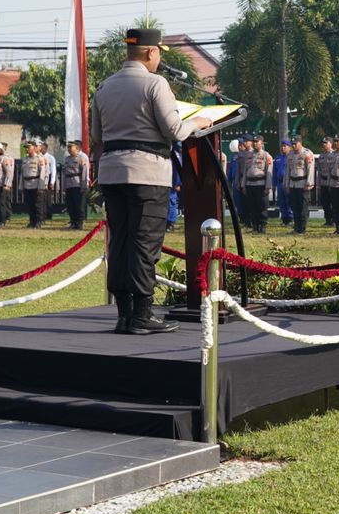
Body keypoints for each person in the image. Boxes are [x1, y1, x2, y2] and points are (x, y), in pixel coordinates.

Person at [89, 27, 212, 334]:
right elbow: (174, 130)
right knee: (145, 244)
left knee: (120, 241)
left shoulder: (104, 87)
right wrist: (198, 120)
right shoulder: (155, 84)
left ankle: (124, 314)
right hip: (147, 174)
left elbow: (96, 136)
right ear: (150, 52)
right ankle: (143, 315)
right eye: (158, 53)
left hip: (113, 173)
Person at [242, 136, 273, 233]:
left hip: (260, 184)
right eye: (254, 142)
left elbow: (269, 171)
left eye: (257, 142)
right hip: (250, 184)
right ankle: (255, 226)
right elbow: (245, 171)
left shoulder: (266, 155)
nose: (255, 144)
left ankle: (262, 226)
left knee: (262, 206)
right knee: (252, 206)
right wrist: (243, 185)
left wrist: (268, 187)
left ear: (262, 143)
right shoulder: (249, 155)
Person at [285, 139, 315, 234]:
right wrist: (287, 184)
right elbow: (287, 171)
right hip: (293, 184)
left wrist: (309, 183)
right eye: (292, 144)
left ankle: (302, 229)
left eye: (295, 144)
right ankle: (296, 227)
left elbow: (310, 169)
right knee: (295, 207)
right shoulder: (290, 155)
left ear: (300, 143)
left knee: (303, 207)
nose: (293, 146)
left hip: (303, 184)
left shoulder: (307, 153)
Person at [20, 139, 51, 228]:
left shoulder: (39, 159)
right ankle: (32, 220)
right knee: (30, 204)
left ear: (34, 148)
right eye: (26, 148)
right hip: (27, 184)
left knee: (38, 204)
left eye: (28, 147)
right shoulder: (25, 159)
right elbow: (22, 173)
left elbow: (42, 173)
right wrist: (21, 186)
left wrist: (41, 187)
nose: (26, 149)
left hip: (36, 183)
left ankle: (39, 221)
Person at [61, 140, 90, 230]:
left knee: (79, 205)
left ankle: (79, 222)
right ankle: (73, 221)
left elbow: (84, 173)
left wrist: (83, 186)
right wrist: (63, 186)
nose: (69, 149)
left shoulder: (81, 158)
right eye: (68, 147)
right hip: (69, 184)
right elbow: (64, 173)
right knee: (70, 205)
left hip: (77, 184)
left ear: (76, 148)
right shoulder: (67, 159)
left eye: (71, 147)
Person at [273, 141, 292, 227]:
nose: (283, 148)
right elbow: (274, 172)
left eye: (285, 146)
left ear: (289, 147)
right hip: (280, 183)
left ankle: (291, 219)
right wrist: (273, 184)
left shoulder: (291, 157)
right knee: (282, 202)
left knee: (289, 202)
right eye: (282, 146)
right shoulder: (278, 158)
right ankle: (285, 220)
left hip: (288, 182)